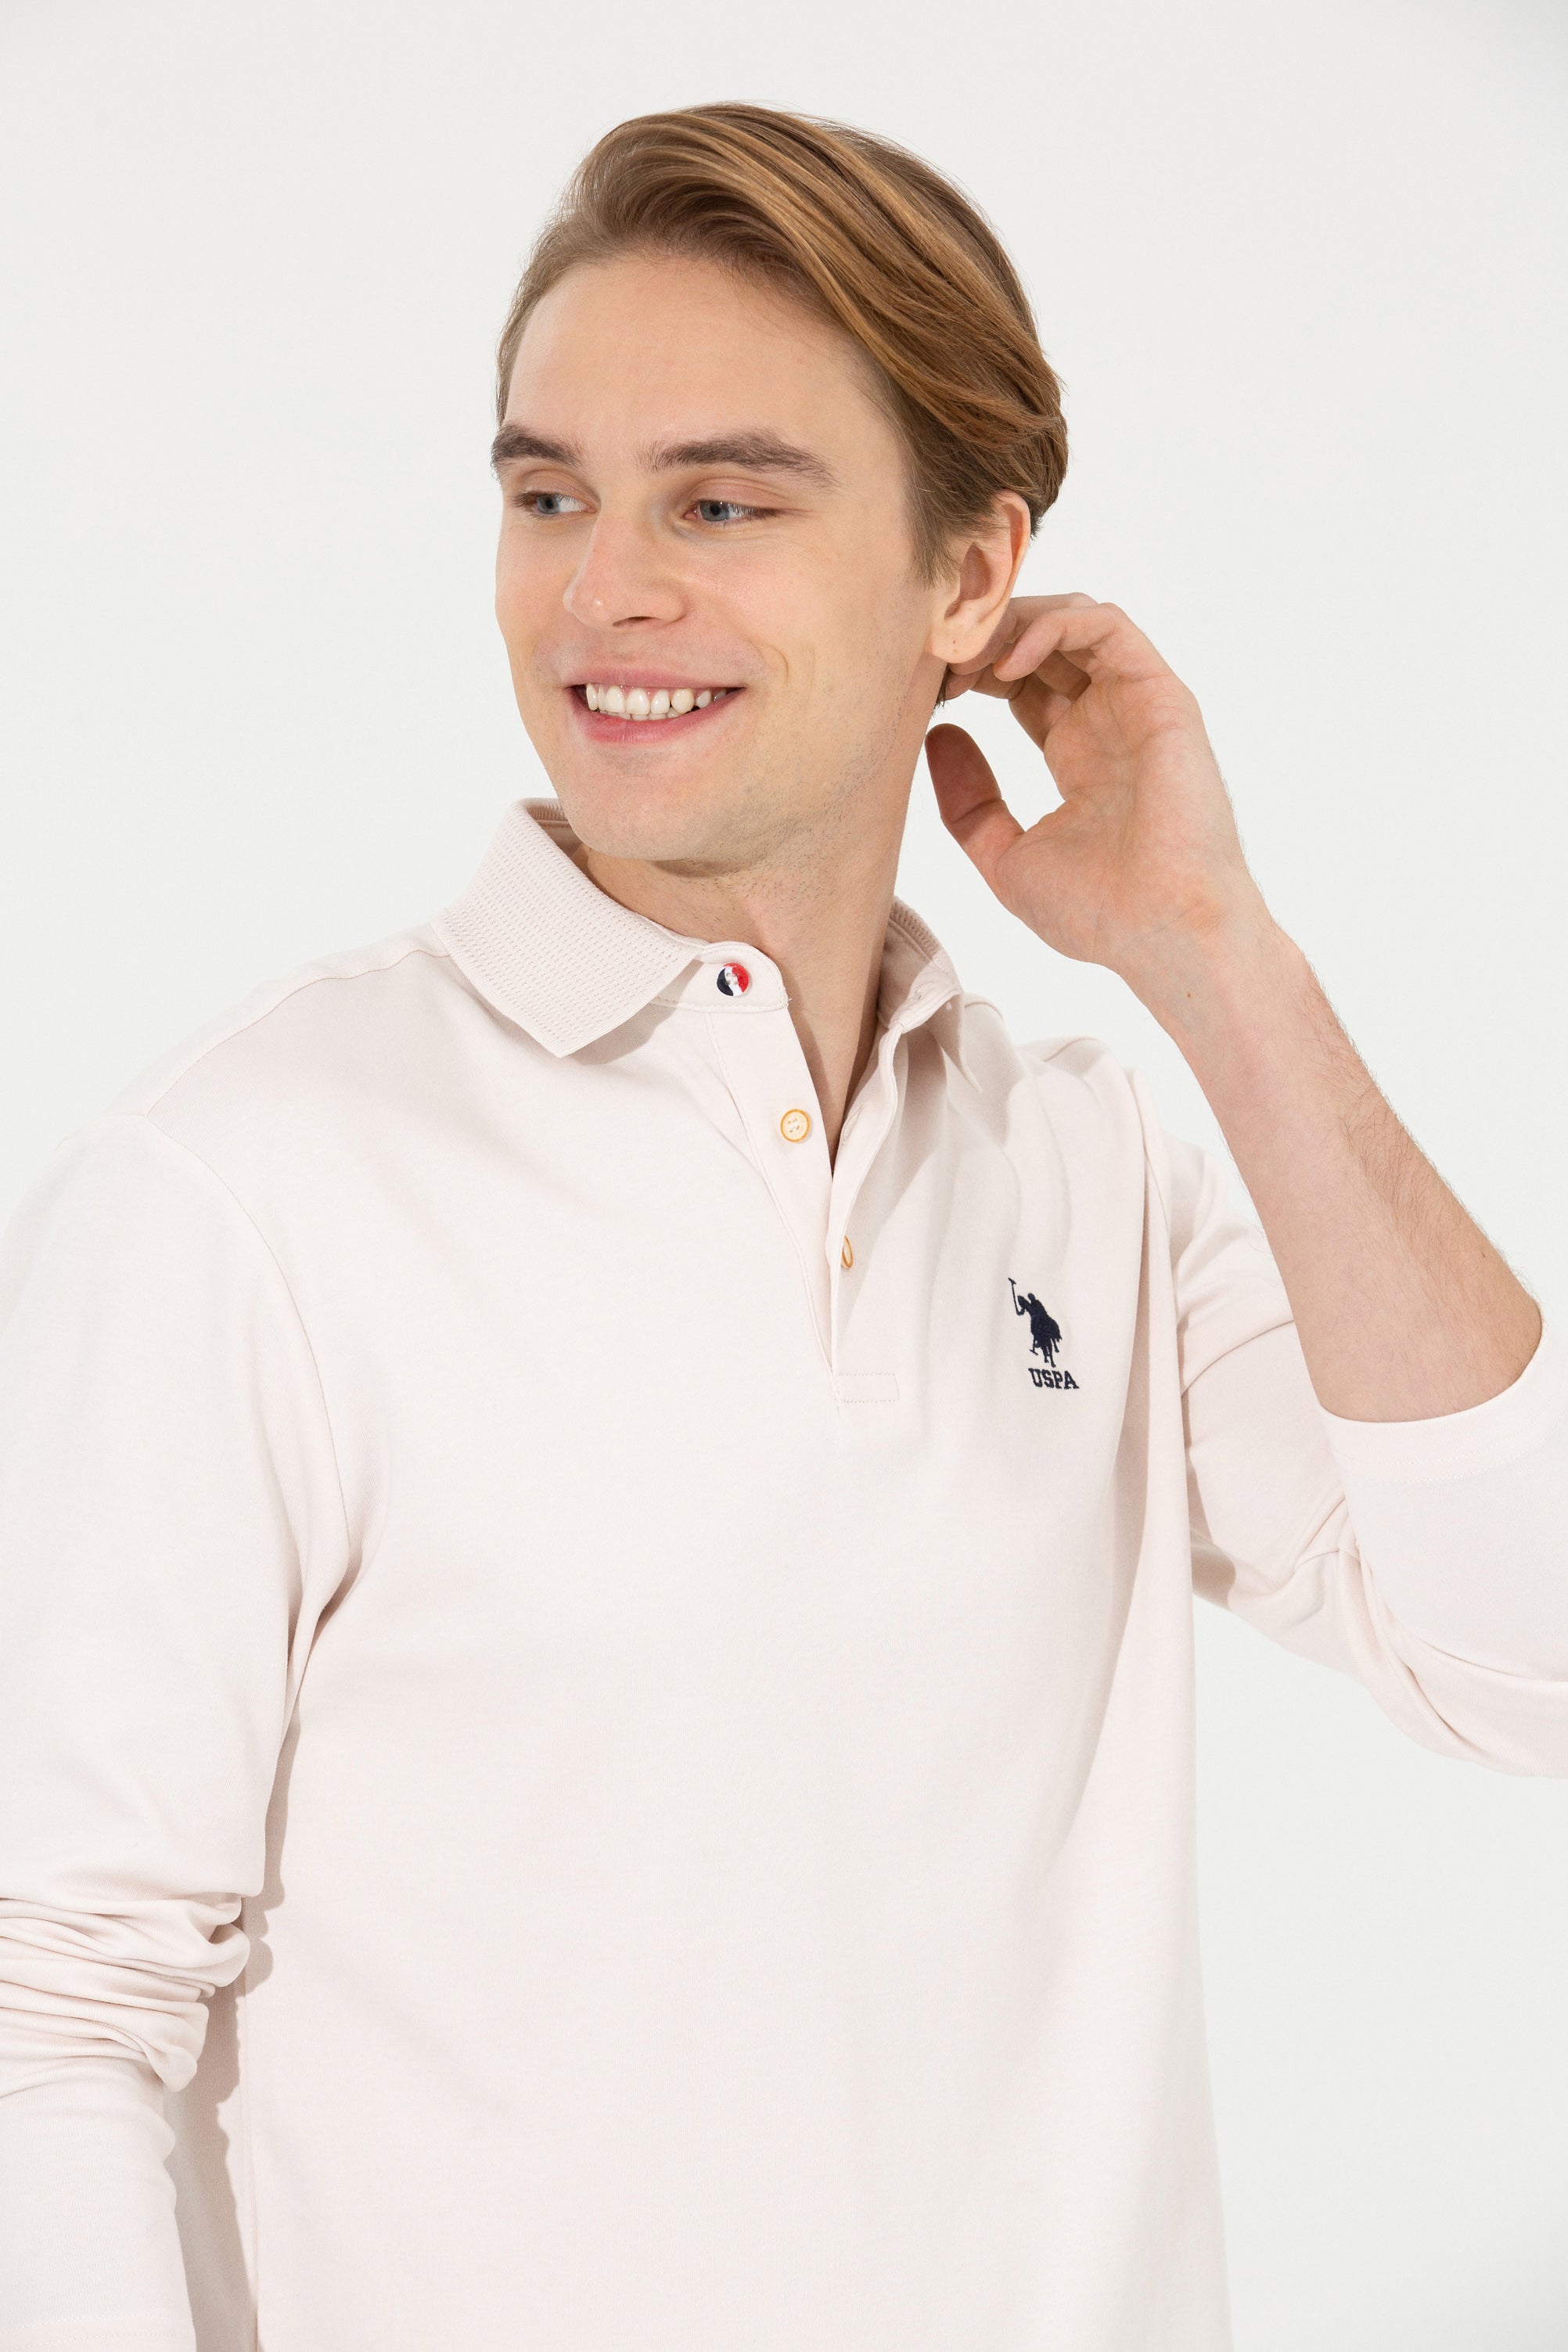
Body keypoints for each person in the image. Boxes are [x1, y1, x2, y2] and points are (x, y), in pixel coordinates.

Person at [0, 99, 1563, 2352]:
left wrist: (1219, 961)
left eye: (719, 503)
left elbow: (1529, 1660)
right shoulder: (243, 1190)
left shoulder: (1088, 1165)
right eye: (550, 495)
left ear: (967, 578)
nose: (602, 591)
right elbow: (49, 2013)